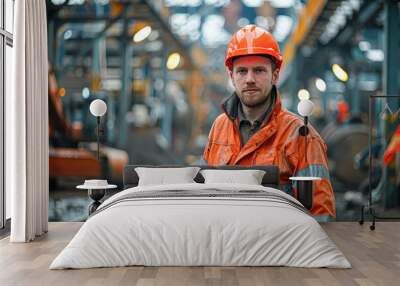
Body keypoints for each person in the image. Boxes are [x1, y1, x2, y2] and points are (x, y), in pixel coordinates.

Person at [203, 25, 336, 218]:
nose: (249, 79)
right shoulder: (219, 127)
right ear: (232, 76)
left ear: (275, 75)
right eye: (242, 71)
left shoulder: (302, 136)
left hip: (277, 245)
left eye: (259, 71)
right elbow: (203, 192)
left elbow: (321, 216)